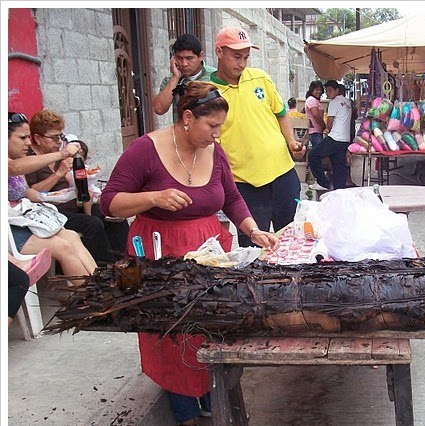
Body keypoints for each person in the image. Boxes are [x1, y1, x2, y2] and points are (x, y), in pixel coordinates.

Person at [99, 81, 279, 426]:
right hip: (159, 251)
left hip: (210, 248)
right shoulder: (145, 149)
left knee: (212, 324)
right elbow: (109, 202)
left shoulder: (215, 151)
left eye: (220, 127)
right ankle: (184, 408)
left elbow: (231, 198)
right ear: (186, 118)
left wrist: (253, 231)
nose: (217, 134)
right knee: (173, 330)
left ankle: (211, 393)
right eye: (212, 126)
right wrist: (152, 198)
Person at [209, 25, 305, 247]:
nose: (242, 64)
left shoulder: (260, 78)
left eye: (246, 57)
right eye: (236, 56)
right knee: (254, 249)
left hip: (283, 175)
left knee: (291, 241)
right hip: (244, 184)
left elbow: (281, 113)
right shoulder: (209, 92)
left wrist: (291, 141)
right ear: (219, 52)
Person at [8, 112, 98, 284]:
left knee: (71, 236)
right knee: (63, 247)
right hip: (10, 230)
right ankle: (91, 297)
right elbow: (13, 168)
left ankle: (101, 287)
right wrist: (61, 154)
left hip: (26, 218)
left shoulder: (17, 159)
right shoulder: (13, 163)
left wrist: (46, 197)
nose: (28, 142)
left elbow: (27, 191)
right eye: (22, 137)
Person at [24, 109, 120, 264]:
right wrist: (59, 173)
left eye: (60, 137)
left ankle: (125, 262)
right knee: (93, 224)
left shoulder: (58, 153)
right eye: (54, 138)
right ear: (37, 138)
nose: (58, 142)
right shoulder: (29, 158)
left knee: (111, 211)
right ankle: (106, 270)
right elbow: (31, 192)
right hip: (51, 211)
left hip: (75, 203)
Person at [153, 34, 217, 118]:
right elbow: (159, 109)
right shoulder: (172, 79)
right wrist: (175, 78)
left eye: (189, 58)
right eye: (179, 58)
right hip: (182, 130)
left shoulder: (215, 76)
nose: (184, 64)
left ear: (200, 56)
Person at [308, 79, 352, 191]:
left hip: (335, 137)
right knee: (338, 165)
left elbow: (330, 123)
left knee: (313, 155)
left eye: (330, 90)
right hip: (345, 139)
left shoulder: (333, 103)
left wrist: (327, 131)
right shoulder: (347, 102)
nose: (327, 93)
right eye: (326, 90)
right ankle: (340, 189)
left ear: (337, 90)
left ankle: (322, 182)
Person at [304, 80, 326, 149]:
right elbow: (315, 115)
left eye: (320, 90)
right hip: (314, 132)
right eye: (316, 90)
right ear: (312, 90)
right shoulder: (311, 100)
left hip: (317, 131)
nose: (319, 92)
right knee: (319, 153)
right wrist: (323, 125)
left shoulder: (315, 100)